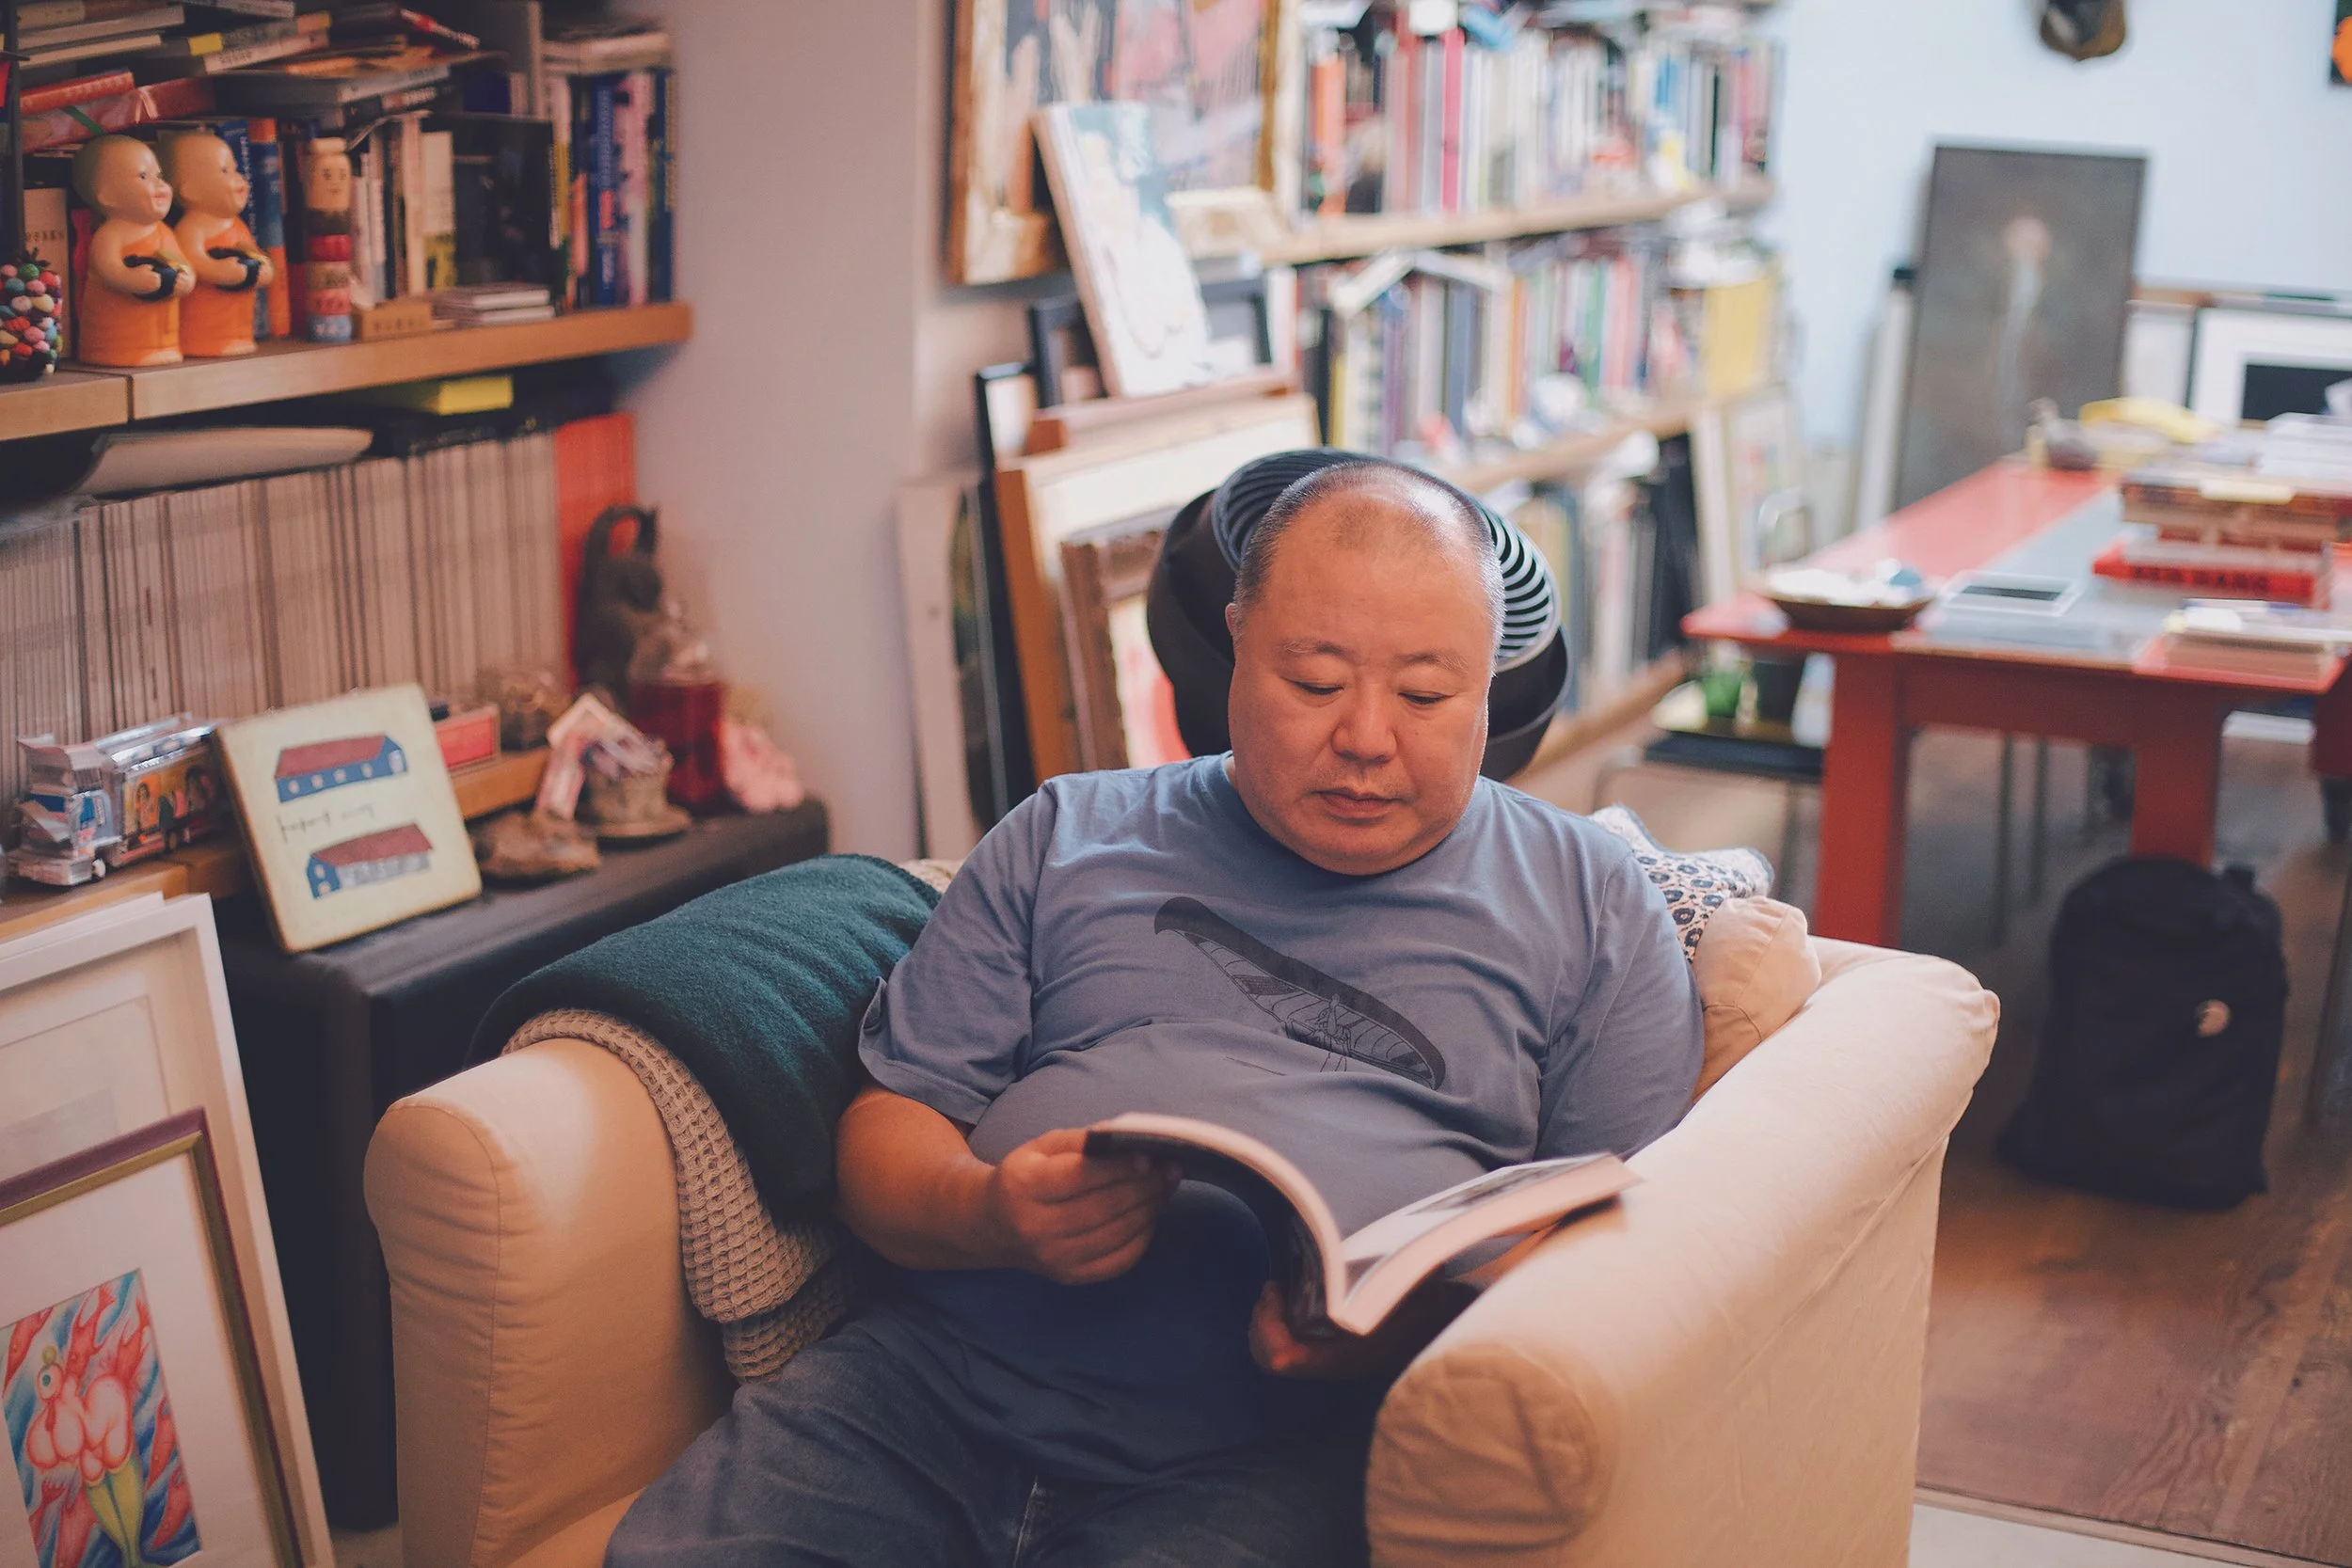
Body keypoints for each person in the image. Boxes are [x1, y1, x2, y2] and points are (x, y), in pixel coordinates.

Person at [608, 460, 1703, 1567]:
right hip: (935, 1391)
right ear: (1236, 642)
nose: (1368, 737)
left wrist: (1403, 1327)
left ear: (1488, 688)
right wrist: (989, 1210)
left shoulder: (1592, 904)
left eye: (1426, 695)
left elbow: (1633, 1255)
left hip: (1281, 1452)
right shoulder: (1067, 834)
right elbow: (890, 1127)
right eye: (1315, 680)